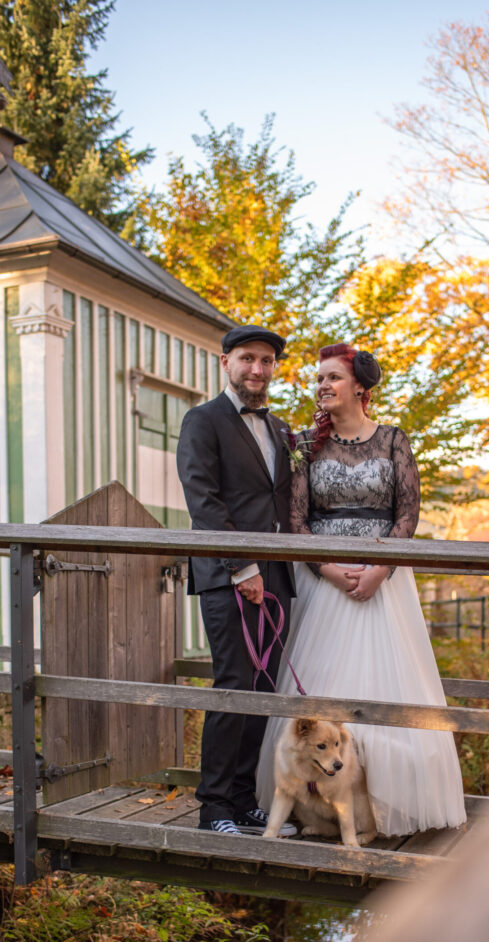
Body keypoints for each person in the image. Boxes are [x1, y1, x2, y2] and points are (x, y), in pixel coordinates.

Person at [256, 343, 466, 837]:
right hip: (324, 583)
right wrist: (327, 567)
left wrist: (379, 568)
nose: (322, 386)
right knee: (322, 687)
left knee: (390, 687)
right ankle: (315, 808)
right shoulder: (307, 443)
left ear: (360, 388)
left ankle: (382, 805)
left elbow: (407, 514)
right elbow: (296, 519)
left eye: (332, 378)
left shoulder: (394, 440)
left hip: (384, 581)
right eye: (319, 379)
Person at [177, 324, 297, 836]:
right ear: (224, 361)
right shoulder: (202, 420)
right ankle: (215, 808)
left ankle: (246, 799)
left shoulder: (280, 429)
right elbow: (203, 501)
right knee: (234, 684)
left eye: (267, 361)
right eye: (248, 358)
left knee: (265, 688)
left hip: (280, 574)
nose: (257, 369)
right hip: (229, 574)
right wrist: (241, 567)